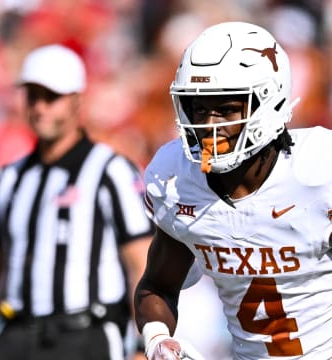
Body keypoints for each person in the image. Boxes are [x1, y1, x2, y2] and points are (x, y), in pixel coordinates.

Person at [134, 21, 332, 360]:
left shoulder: (317, 173)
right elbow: (158, 286)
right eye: (199, 108)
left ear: (268, 104)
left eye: (226, 109)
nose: (209, 125)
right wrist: (157, 339)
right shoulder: (178, 181)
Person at [0, 44, 154, 360]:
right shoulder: (6, 180)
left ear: (76, 101)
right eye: (33, 96)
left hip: (86, 337)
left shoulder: (110, 171)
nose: (40, 107)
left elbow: (142, 265)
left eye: (51, 97)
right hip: (16, 337)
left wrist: (144, 345)